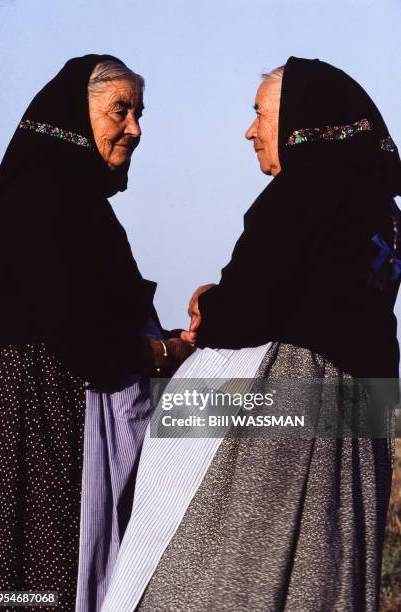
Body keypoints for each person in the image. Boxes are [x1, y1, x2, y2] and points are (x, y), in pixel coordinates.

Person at [100, 57, 401, 612]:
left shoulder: (302, 191)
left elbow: (245, 314)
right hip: (359, 428)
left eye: (259, 115)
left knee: (215, 575)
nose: (250, 130)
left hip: (286, 425)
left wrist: (207, 304)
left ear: (296, 121)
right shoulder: (380, 210)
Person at [0, 54, 191, 611]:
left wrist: (172, 340)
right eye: (119, 111)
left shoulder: (75, 202)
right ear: (76, 114)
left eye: (138, 112)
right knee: (47, 558)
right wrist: (157, 352)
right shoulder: (40, 198)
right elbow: (70, 320)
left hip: (65, 397)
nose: (135, 128)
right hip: (44, 406)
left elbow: (95, 311)